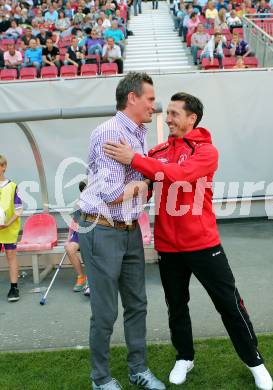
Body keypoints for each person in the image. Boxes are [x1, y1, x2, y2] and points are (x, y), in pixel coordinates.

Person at [103, 92, 273, 390]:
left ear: (191, 118)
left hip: (204, 244)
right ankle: (185, 356)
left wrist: (136, 159)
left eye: (173, 113)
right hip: (168, 247)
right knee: (176, 306)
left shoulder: (206, 151)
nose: (167, 118)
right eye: (166, 113)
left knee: (229, 305)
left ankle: (254, 361)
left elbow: (181, 175)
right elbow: (143, 179)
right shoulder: (156, 152)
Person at [78, 72, 165, 390]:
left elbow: (137, 185)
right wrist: (144, 180)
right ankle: (100, 379)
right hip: (102, 230)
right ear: (132, 98)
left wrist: (141, 175)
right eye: (151, 99)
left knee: (137, 304)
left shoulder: (138, 132)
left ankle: (137, 369)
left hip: (129, 229)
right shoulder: (109, 132)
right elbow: (114, 193)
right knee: (104, 312)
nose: (154, 106)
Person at [0, 155, 23, 303]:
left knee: (10, 255)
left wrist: (8, 223)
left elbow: (19, 209)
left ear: (4, 166)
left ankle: (14, 287)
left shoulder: (13, 186)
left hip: (8, 228)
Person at [65, 181, 90, 296]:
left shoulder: (100, 203)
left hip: (93, 234)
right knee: (69, 248)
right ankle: (81, 277)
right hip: (79, 234)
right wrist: (69, 238)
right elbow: (74, 222)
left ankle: (92, 279)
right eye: (83, 190)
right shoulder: (78, 205)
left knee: (90, 249)